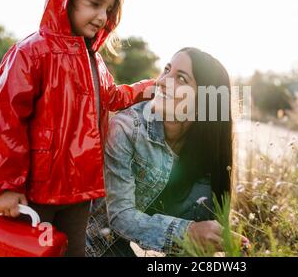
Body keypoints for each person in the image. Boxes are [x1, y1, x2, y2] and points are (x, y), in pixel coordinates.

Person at [0, 0, 154, 257]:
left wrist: (146, 89)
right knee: (28, 251)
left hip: (80, 189)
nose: (102, 16)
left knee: (73, 251)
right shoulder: (31, 53)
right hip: (38, 190)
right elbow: (9, 120)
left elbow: (112, 97)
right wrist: (7, 186)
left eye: (109, 10)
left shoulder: (95, 61)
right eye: (94, 4)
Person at [86, 48, 247, 257]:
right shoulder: (127, 128)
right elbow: (120, 217)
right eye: (167, 70)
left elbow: (201, 232)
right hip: (101, 246)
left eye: (180, 78)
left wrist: (224, 244)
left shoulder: (208, 150)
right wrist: (187, 233)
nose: (162, 82)